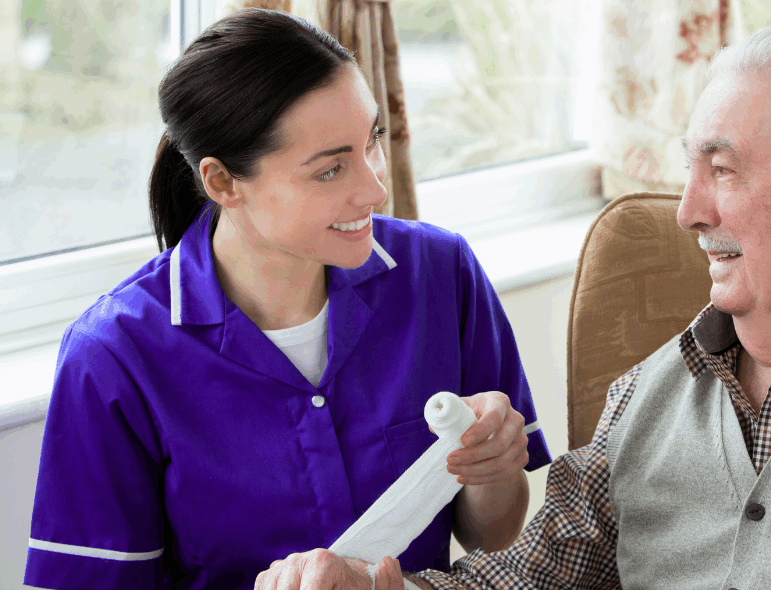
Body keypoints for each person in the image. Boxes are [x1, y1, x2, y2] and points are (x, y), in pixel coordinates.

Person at [256, 20, 771, 590]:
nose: (689, 213)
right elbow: (533, 577)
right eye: (690, 170)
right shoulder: (647, 393)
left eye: (724, 170)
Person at [23, 9, 552, 590]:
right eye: (330, 171)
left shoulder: (442, 275)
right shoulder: (113, 356)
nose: (376, 188)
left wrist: (493, 470)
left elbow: (491, 536)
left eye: (373, 139)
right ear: (223, 182)